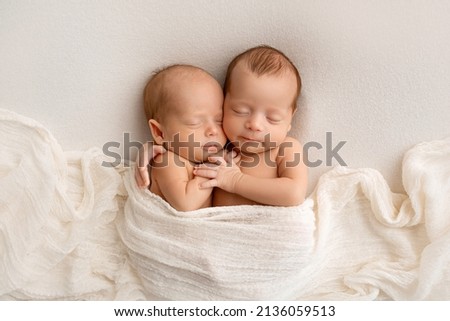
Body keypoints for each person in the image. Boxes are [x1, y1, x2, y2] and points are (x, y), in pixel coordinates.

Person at [193, 45, 308, 206]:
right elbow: (179, 152)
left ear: (290, 119)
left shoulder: (285, 149)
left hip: (266, 229)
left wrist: (236, 181)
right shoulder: (219, 143)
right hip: (218, 228)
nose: (254, 125)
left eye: (272, 118)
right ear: (223, 103)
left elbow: (293, 193)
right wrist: (155, 151)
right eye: (240, 111)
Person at [141, 64, 227, 211]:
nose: (213, 130)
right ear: (160, 133)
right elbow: (186, 204)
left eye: (219, 120)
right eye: (195, 123)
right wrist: (211, 169)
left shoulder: (208, 155)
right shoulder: (167, 161)